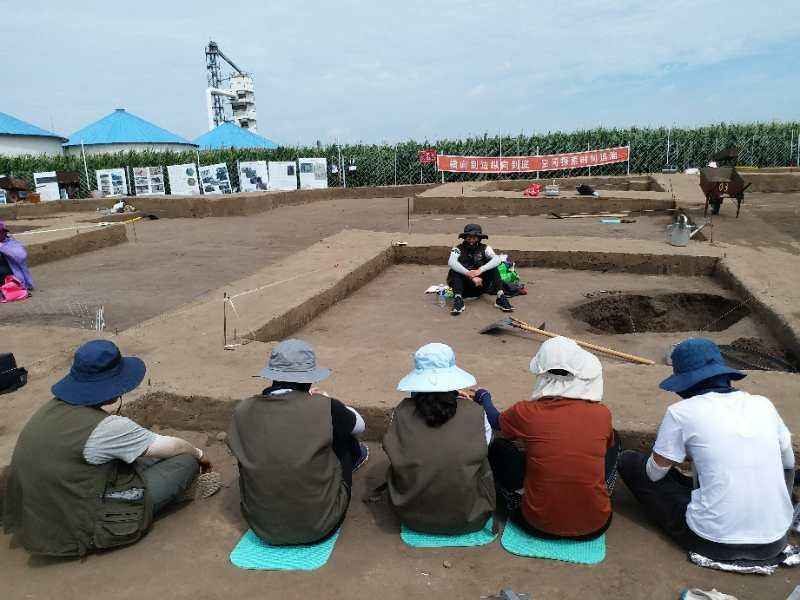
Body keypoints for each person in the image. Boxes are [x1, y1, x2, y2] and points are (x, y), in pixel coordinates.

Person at [3, 340, 219, 557]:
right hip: (74, 526)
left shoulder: (50, 409)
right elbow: (175, 446)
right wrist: (200, 455)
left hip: (38, 515)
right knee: (184, 461)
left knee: (138, 454)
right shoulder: (107, 428)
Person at [618, 338, 794, 561]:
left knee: (630, 462)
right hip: (776, 539)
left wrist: (681, 453)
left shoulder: (681, 412)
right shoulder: (763, 404)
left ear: (685, 383)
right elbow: (788, 463)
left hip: (712, 541)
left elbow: (654, 474)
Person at [473, 336, 618, 540]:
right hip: (596, 525)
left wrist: (483, 396)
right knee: (613, 439)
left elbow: (496, 421)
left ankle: (516, 497)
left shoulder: (526, 412)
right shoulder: (602, 414)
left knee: (498, 449)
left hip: (537, 524)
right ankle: (598, 491)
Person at [227, 339, 368, 545]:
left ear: (273, 376)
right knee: (343, 439)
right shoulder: (326, 407)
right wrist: (326, 400)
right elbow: (359, 425)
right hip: (320, 525)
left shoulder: (243, 409)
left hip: (263, 528)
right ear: (309, 379)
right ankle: (357, 459)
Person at [383, 343, 495, 534]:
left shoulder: (400, 412)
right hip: (470, 518)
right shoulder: (477, 412)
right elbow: (486, 443)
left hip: (411, 517)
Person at [447, 223, 513, 316]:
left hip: (480, 286)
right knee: (454, 269)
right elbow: (451, 262)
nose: (471, 241)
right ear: (464, 237)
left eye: (474, 238)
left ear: (479, 238)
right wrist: (469, 274)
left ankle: (500, 297)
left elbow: (497, 259)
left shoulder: (485, 248)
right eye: (469, 238)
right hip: (464, 289)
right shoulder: (457, 249)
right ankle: (458, 299)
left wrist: (480, 271)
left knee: (492, 266)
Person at [0, 221, 34, 290]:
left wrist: (2, 247)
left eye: (4, 232)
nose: (4, 234)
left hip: (13, 271)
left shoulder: (11, 243)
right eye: (2, 232)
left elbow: (21, 256)